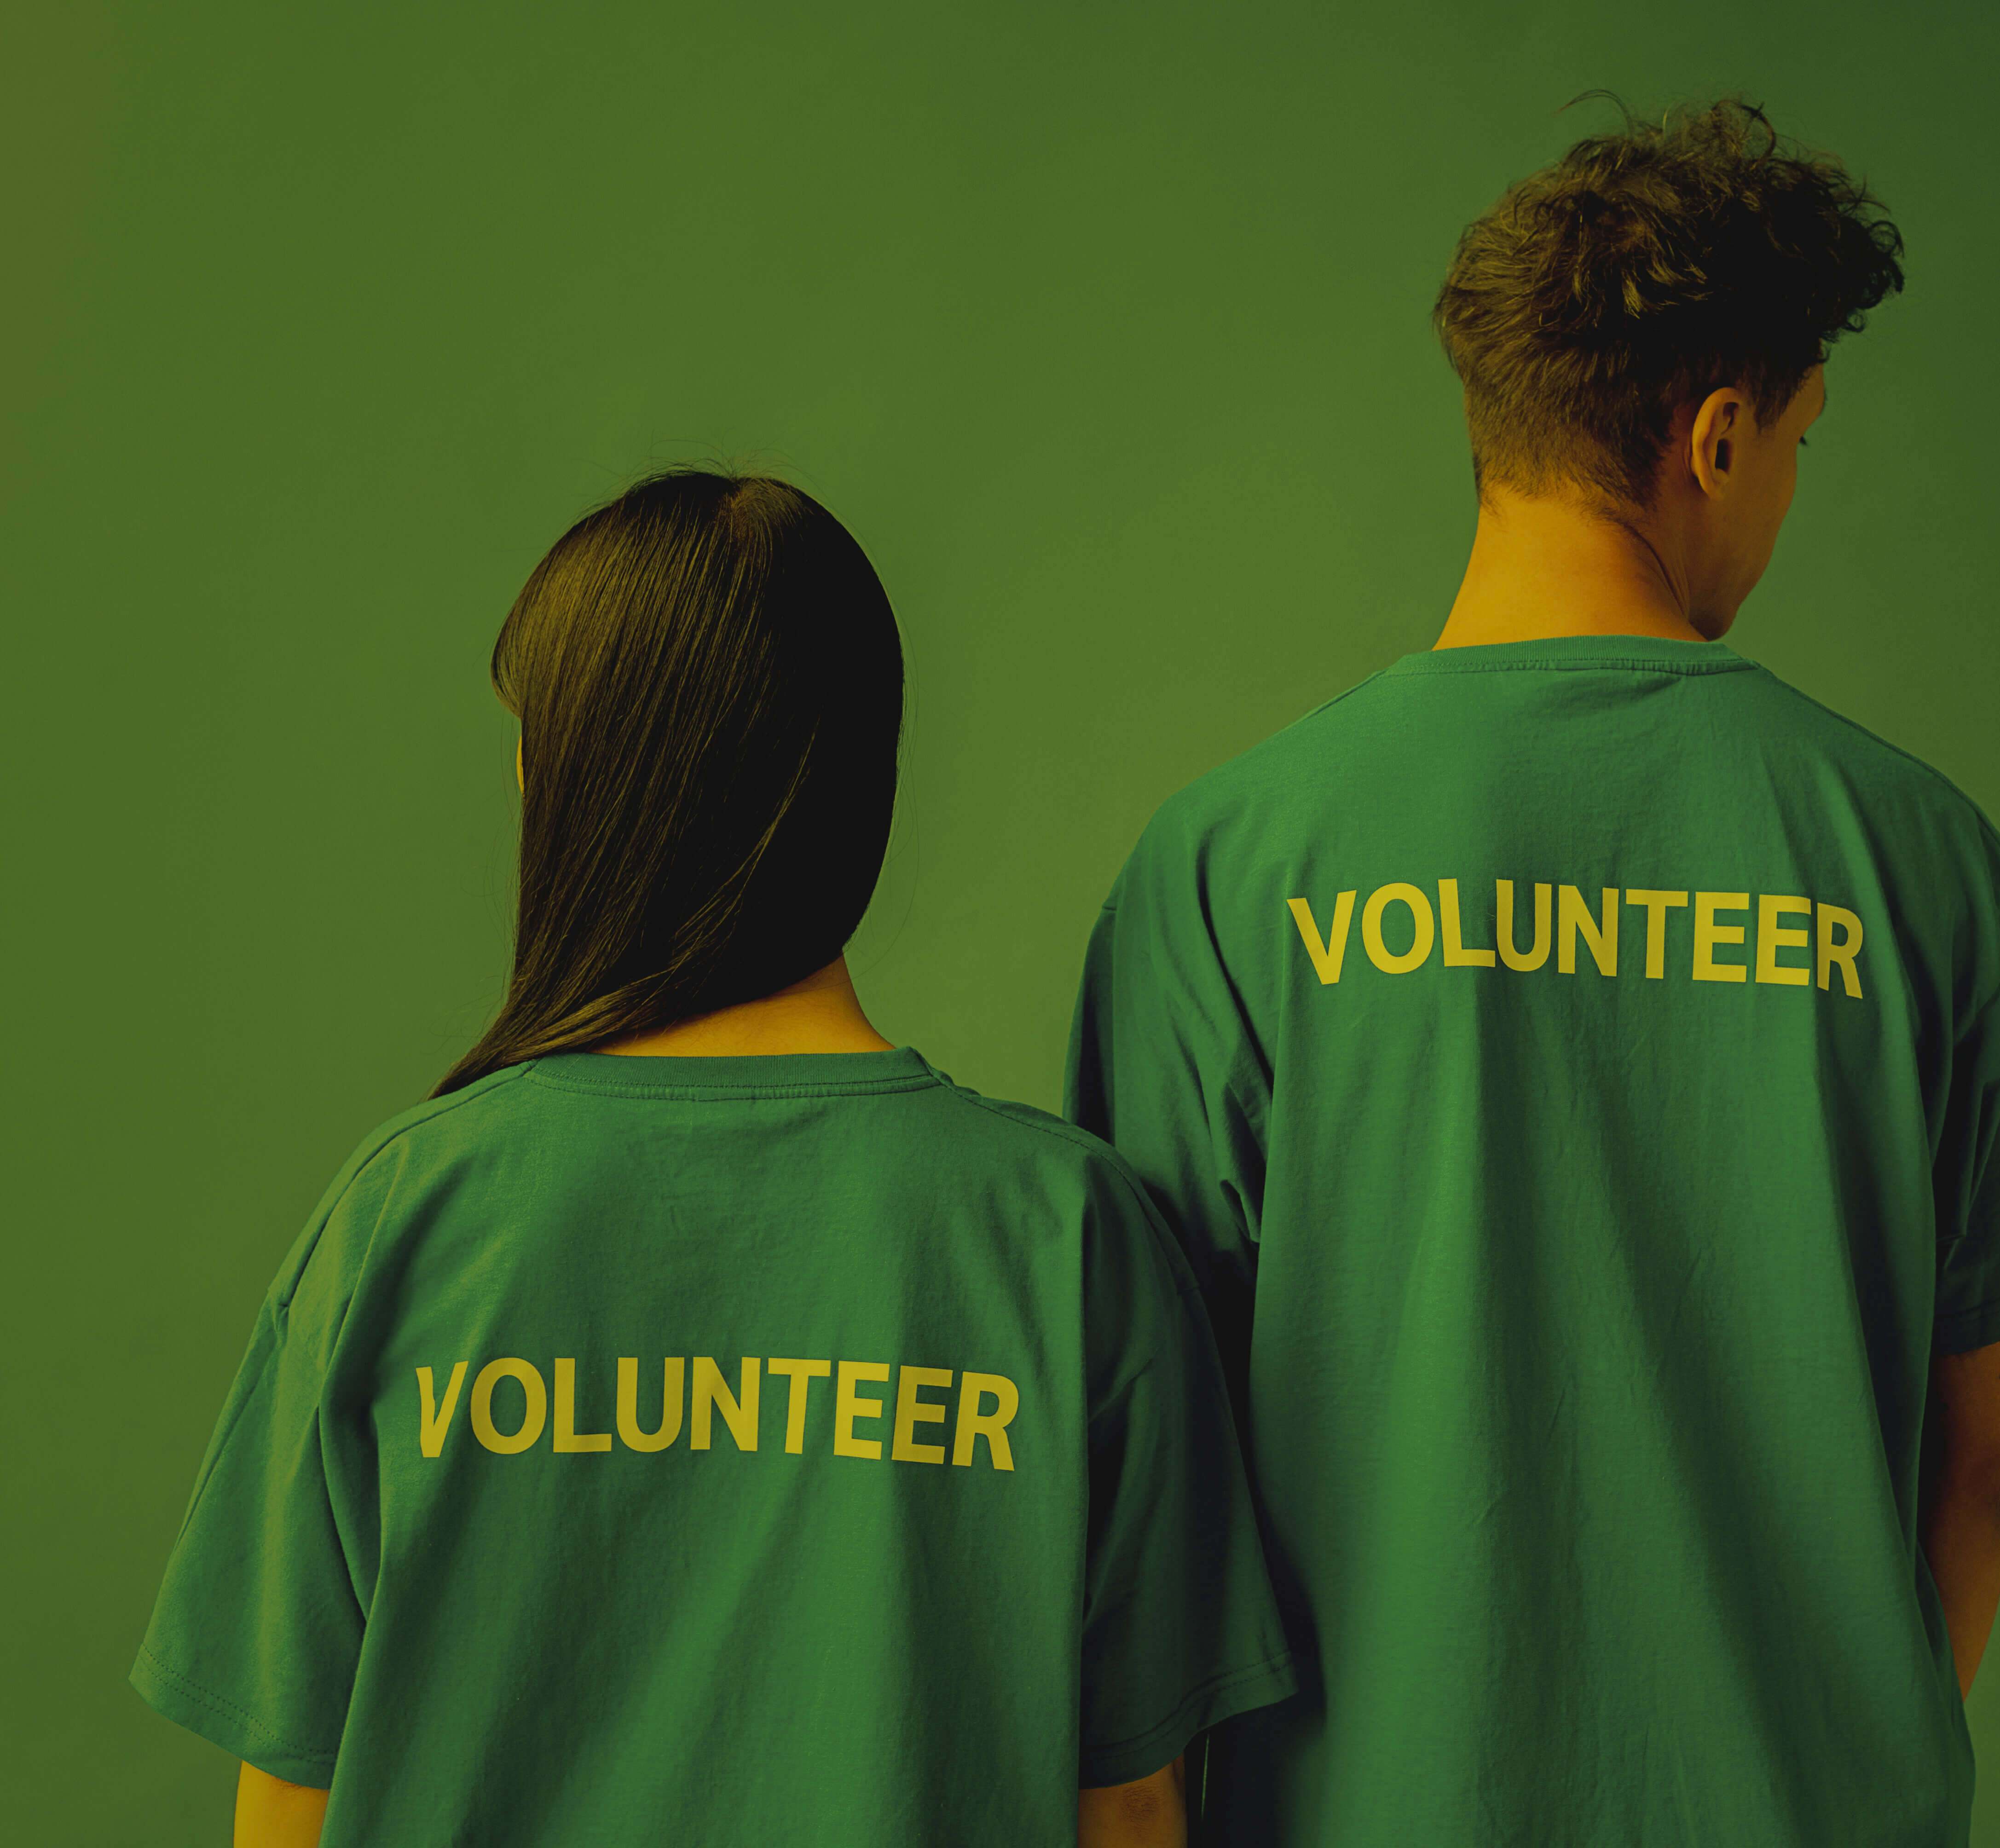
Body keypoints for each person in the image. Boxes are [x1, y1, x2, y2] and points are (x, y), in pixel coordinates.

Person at [1066, 99, 2000, 1846]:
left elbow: (1152, 1504)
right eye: (1800, 437)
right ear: (1715, 437)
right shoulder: (1922, 862)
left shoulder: (1228, 864)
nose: (1791, 485)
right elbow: (1988, 1459)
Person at [133, 468, 1294, 1847]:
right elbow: (1136, 1810)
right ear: (867, 774)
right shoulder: (1068, 1240)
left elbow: (288, 1813)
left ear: (568, 784)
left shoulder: (406, 1217)